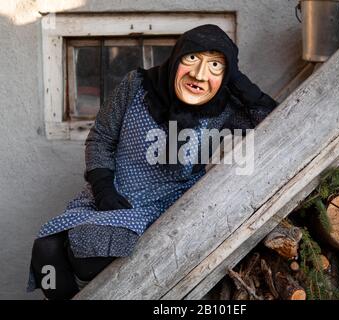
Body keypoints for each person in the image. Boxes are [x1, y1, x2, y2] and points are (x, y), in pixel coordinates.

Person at [27, 24, 277, 300]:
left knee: (85, 252)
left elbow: (276, 124)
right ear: (177, 57)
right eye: (192, 59)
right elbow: (101, 137)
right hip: (110, 194)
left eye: (215, 65)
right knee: (45, 250)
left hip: (163, 205)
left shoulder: (223, 107)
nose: (199, 74)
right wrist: (102, 187)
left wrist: (239, 82)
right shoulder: (137, 85)